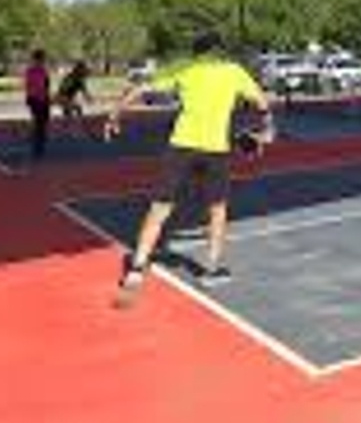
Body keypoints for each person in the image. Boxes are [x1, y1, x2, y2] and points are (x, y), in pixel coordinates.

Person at [105, 30, 272, 306]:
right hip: (215, 149)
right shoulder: (232, 71)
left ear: (197, 51)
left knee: (160, 208)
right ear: (218, 50)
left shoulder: (185, 68)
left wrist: (115, 114)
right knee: (217, 209)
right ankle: (211, 269)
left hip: (181, 146)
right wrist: (266, 128)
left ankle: (135, 271)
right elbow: (262, 104)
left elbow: (142, 89)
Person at [23, 48, 51, 159]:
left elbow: (45, 85)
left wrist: (47, 97)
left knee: (42, 122)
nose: (42, 61)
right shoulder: (32, 71)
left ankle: (38, 142)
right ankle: (37, 146)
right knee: (39, 123)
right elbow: (34, 86)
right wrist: (39, 96)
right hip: (36, 99)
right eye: (41, 59)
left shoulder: (42, 71)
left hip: (41, 99)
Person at [56, 60, 93, 133]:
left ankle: (65, 127)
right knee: (76, 109)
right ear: (79, 69)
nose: (85, 72)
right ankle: (68, 127)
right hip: (63, 98)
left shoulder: (77, 78)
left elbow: (84, 90)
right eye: (83, 69)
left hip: (67, 98)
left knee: (72, 111)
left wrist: (88, 98)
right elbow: (63, 89)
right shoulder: (73, 78)